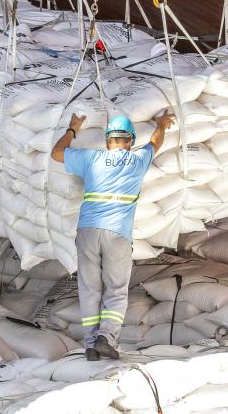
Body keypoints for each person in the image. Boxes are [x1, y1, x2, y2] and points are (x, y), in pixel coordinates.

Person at [51, 111, 175, 361]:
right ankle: (106, 337)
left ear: (108, 141)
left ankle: (90, 345)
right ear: (129, 141)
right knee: (116, 290)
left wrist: (73, 129)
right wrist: (161, 124)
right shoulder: (138, 160)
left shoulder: (91, 158)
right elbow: (156, 142)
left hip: (87, 231)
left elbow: (56, 153)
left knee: (89, 289)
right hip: (118, 234)